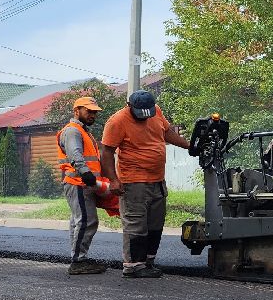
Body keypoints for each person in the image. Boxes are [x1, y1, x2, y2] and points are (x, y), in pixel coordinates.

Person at [100, 89, 191, 279]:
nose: (145, 116)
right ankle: (133, 265)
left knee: (155, 224)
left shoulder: (155, 111)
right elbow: (107, 153)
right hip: (133, 181)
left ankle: (148, 261)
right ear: (129, 106)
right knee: (136, 224)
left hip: (157, 179)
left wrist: (190, 146)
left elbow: (167, 133)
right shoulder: (117, 121)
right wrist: (114, 180)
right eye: (141, 113)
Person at [56, 96, 107, 275]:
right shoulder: (73, 131)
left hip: (81, 183)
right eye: (89, 111)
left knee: (79, 221)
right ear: (76, 111)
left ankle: (78, 257)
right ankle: (78, 261)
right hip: (78, 182)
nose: (92, 115)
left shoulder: (83, 131)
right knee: (87, 220)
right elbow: (75, 154)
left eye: (94, 112)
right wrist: (85, 173)